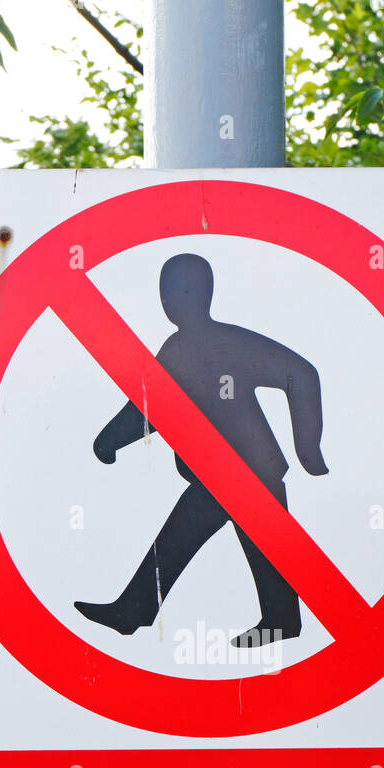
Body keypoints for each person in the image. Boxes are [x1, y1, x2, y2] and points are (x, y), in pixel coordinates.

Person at [74, 252, 327, 647]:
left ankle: (136, 611)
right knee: (247, 547)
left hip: (250, 473)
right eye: (169, 292)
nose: (173, 300)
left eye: (182, 291)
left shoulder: (227, 342)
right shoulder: (176, 349)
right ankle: (277, 618)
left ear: (205, 294)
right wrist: (110, 440)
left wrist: (308, 450)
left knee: (241, 546)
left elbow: (301, 373)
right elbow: (150, 405)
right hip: (217, 475)